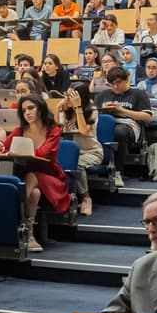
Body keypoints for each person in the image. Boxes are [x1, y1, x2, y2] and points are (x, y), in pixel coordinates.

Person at [7, 94, 71, 251]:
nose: (27, 113)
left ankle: (13, 210)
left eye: (31, 108)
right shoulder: (19, 131)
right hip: (29, 179)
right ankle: (29, 235)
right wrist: (0, 147)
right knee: (34, 192)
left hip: (51, 178)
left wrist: (20, 150)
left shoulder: (53, 130)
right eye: (23, 110)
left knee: (32, 176)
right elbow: (3, 148)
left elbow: (44, 153)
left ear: (40, 108)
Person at [95, 67, 153, 181]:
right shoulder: (104, 94)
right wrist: (102, 109)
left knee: (119, 132)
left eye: (118, 83)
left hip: (129, 124)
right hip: (106, 123)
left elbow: (147, 117)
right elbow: (92, 112)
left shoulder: (138, 93)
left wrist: (122, 110)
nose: (115, 87)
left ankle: (118, 171)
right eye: (112, 84)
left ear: (126, 80)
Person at [59, 84, 101, 217]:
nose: (68, 99)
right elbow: (57, 130)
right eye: (67, 96)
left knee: (77, 164)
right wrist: (58, 108)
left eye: (71, 96)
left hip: (90, 152)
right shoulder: (67, 111)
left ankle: (86, 198)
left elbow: (83, 130)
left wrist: (77, 108)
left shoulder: (92, 111)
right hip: (70, 153)